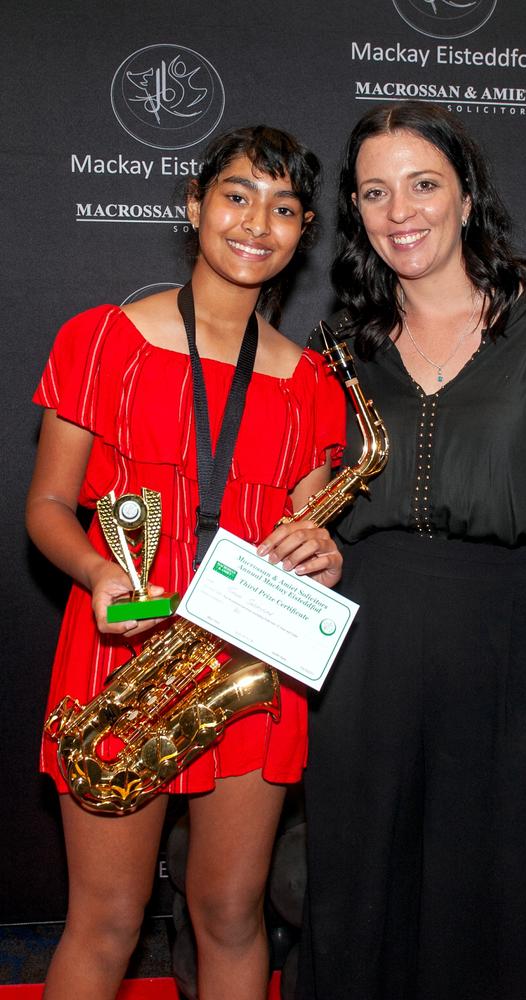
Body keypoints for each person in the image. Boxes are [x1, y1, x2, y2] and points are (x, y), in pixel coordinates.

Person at [298, 102, 526, 1000]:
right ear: (357, 212)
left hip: (512, 655)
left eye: (423, 184)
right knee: (359, 887)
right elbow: (313, 501)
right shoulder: (339, 346)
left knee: (490, 897)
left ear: (466, 196)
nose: (400, 210)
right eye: (375, 192)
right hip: (363, 654)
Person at [26, 125, 345, 1000]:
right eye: (237, 195)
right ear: (195, 206)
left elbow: (308, 529)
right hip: (123, 650)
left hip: (247, 665)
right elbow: (49, 508)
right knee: (108, 922)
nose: (257, 223)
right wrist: (97, 574)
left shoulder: (310, 382)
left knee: (233, 914)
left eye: (283, 208)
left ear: (303, 229)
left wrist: (323, 553)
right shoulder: (99, 340)